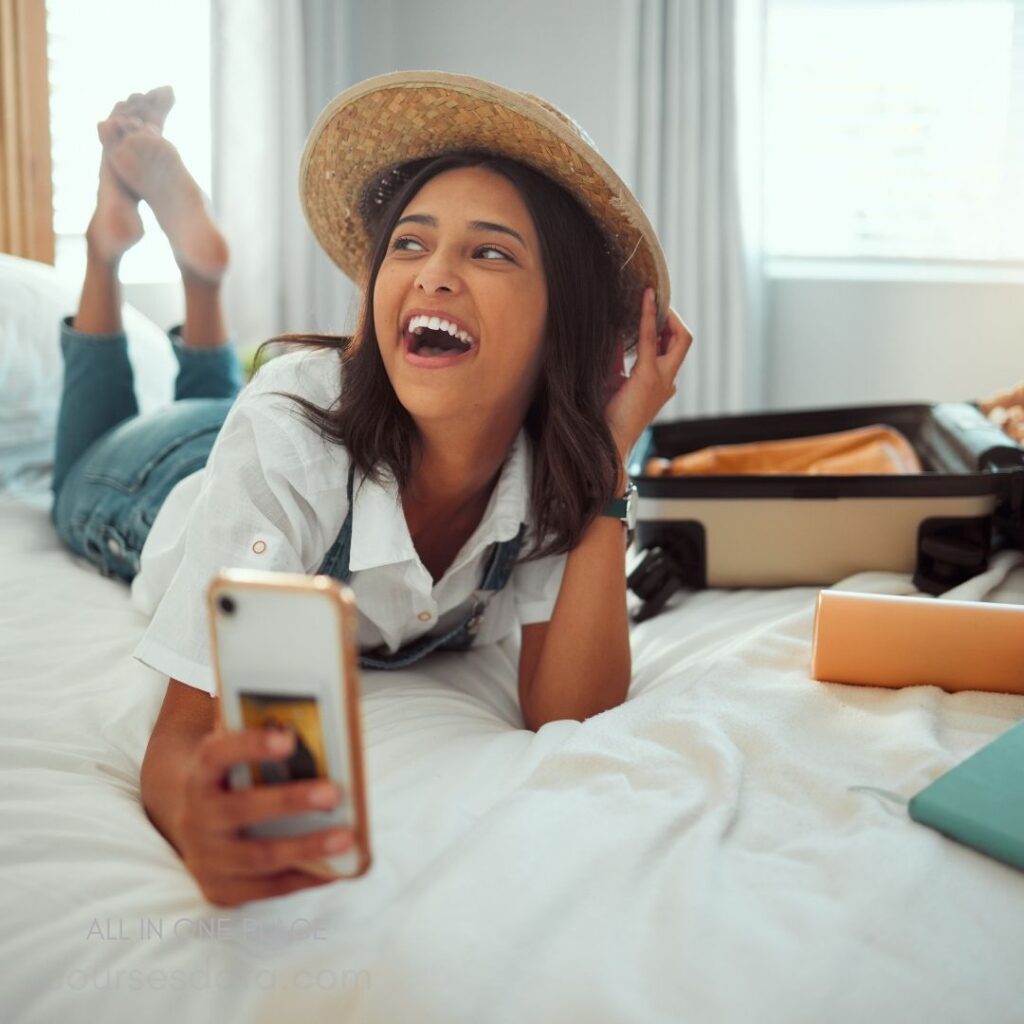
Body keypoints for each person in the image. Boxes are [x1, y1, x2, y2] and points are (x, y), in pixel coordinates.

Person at [51, 73, 693, 906]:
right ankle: (110, 254)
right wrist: (202, 820)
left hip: (254, 437)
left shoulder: (552, 470)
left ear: (559, 323)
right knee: (76, 470)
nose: (434, 274)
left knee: (223, 405)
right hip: (156, 481)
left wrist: (611, 456)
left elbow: (568, 706)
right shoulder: (291, 419)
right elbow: (181, 741)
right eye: (410, 243)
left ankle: (201, 284)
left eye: (491, 251)